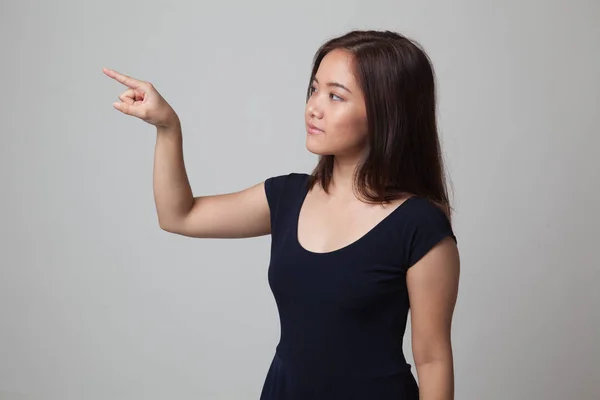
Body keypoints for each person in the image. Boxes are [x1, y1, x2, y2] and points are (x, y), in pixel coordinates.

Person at [103, 29, 460, 400]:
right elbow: (180, 215)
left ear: (387, 111)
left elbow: (433, 360)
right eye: (313, 90)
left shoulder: (420, 227)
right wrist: (167, 127)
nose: (314, 107)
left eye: (335, 96)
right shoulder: (287, 197)